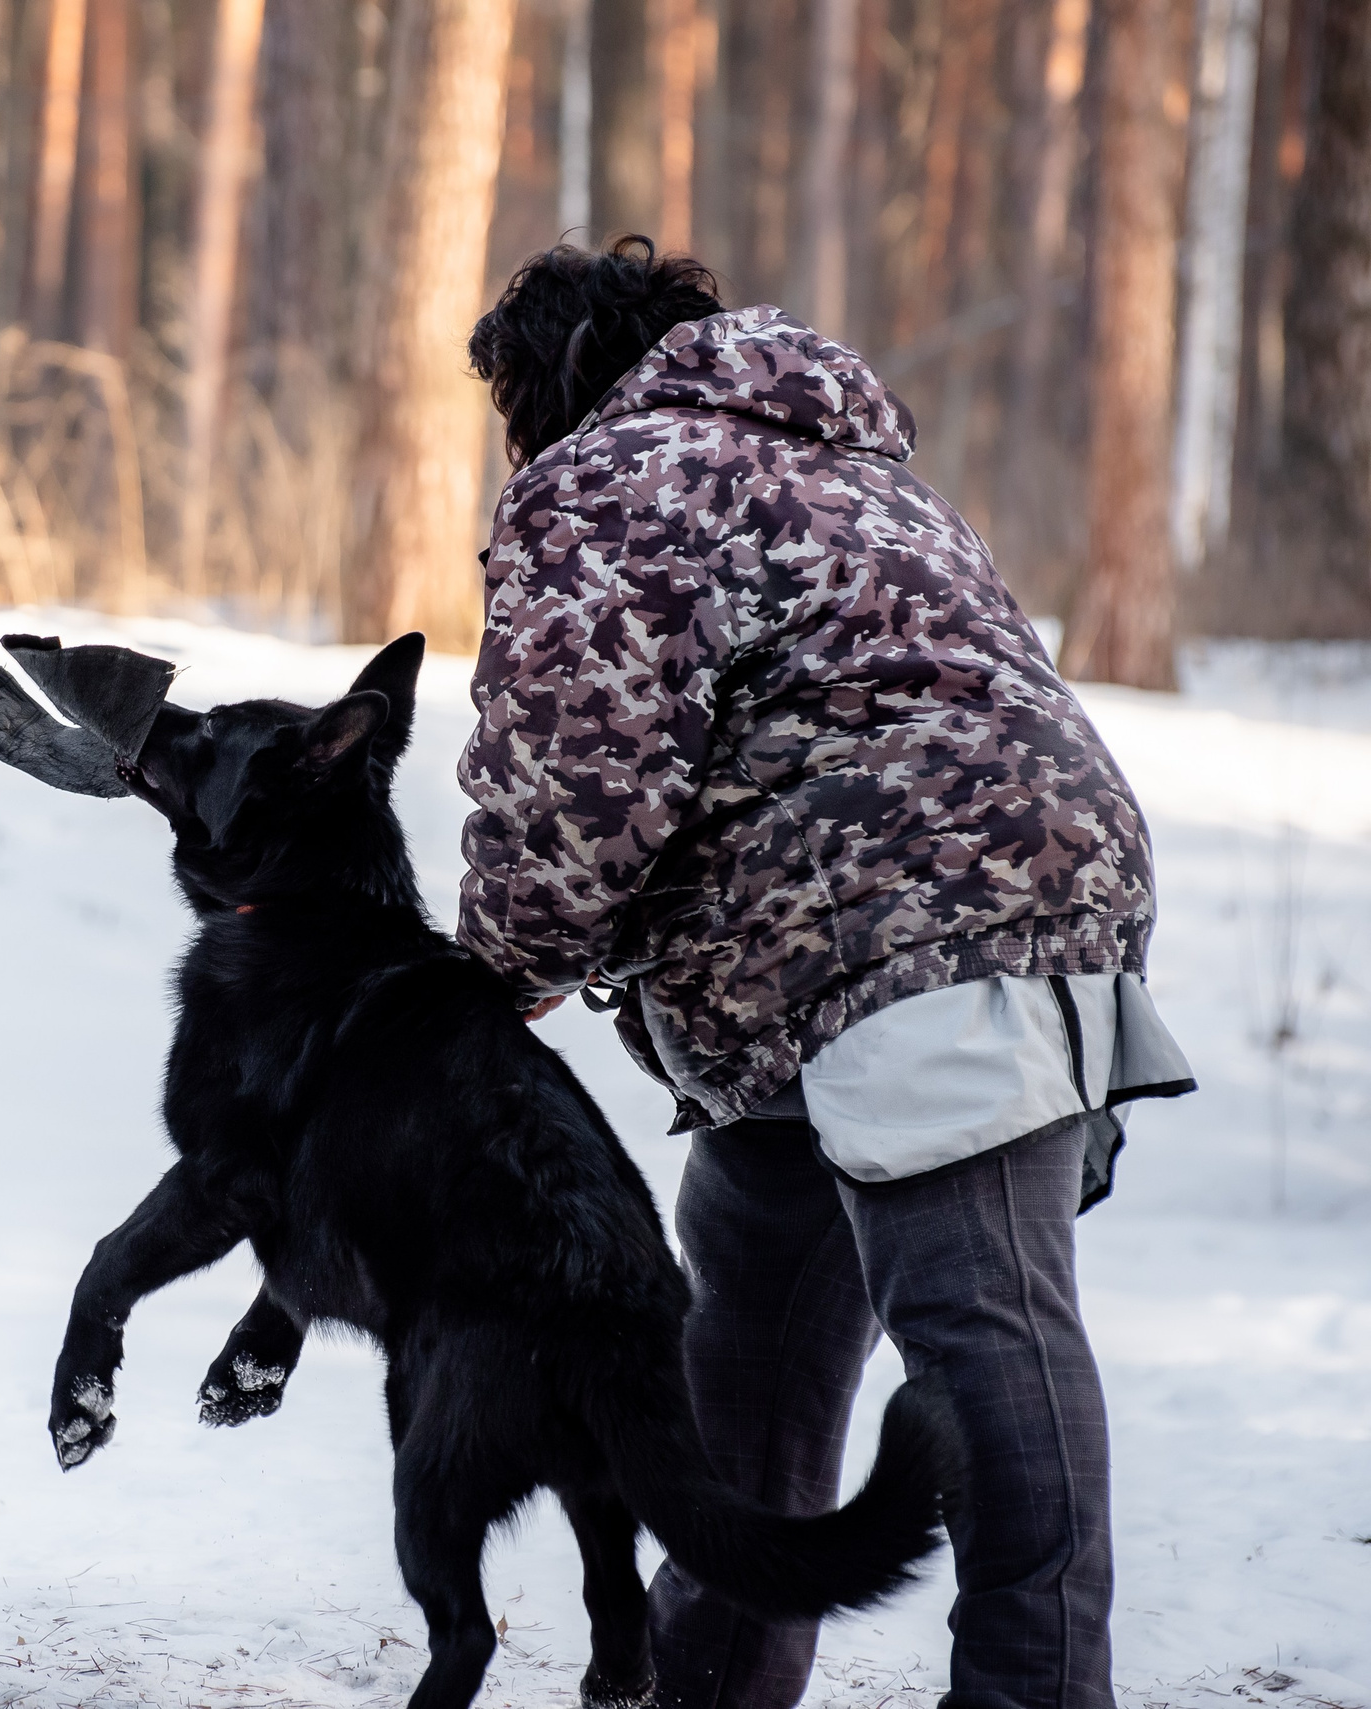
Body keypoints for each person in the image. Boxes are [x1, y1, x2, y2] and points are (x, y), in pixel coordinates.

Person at [455, 238, 1196, 1709]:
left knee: (985, 1328)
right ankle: (706, 1683)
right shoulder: (841, 460)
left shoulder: (622, 470)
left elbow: (577, 781)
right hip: (895, 937)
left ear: (552, 386)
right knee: (750, 1344)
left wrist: (489, 978)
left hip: (924, 922)